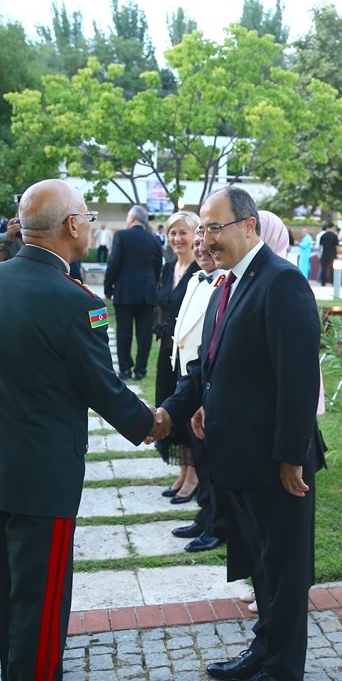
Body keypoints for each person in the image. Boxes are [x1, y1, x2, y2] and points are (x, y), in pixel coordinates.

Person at [0, 179, 162, 681]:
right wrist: (153, 424)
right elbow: (103, 386)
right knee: (43, 603)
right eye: (89, 217)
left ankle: (17, 677)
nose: (93, 226)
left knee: (8, 588)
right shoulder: (74, 301)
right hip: (42, 476)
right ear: (72, 226)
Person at [160, 186, 323, 681]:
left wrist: (291, 456)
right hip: (241, 453)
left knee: (284, 568)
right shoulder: (229, 282)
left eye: (215, 228)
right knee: (261, 563)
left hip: (277, 460)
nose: (206, 239)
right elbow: (217, 361)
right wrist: (203, 403)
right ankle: (264, 648)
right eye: (203, 229)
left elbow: (297, 379)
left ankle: (282, 674)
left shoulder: (282, 282)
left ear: (249, 226)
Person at [168, 234, 225, 550]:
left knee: (212, 456)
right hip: (190, 375)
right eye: (198, 241)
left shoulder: (224, 285)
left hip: (209, 379)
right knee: (198, 452)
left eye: (207, 241)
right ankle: (205, 514)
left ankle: (217, 523)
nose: (200, 247)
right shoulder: (195, 281)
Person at [154, 210, 201, 506]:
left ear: (195, 234)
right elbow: (161, 304)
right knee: (170, 402)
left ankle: (194, 474)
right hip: (167, 349)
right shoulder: (168, 267)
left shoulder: (200, 268)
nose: (177, 238)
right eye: (172, 233)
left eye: (183, 232)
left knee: (187, 406)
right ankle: (183, 470)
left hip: (189, 350)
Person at [105, 205, 162, 380]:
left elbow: (114, 263)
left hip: (125, 292)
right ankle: (140, 370)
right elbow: (158, 267)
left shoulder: (121, 236)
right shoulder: (154, 240)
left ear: (131, 218)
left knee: (124, 333)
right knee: (144, 335)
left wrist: (108, 288)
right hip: (147, 292)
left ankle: (125, 370)